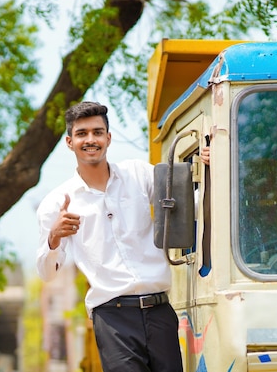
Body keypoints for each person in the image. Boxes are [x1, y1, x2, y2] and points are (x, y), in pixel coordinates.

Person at [36, 101, 206, 372]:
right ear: (69, 142)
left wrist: (213, 165)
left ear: (108, 137)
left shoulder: (138, 174)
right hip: (112, 317)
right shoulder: (56, 203)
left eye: (97, 132)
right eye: (82, 134)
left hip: (160, 310)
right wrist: (54, 238)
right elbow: (47, 272)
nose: (90, 139)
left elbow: (189, 206)